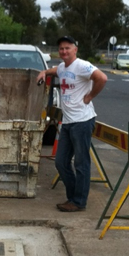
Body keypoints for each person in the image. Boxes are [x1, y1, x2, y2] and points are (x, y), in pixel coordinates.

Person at [36, 35, 107, 212]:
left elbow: (102, 78)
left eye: (68, 48)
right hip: (67, 122)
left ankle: (78, 201)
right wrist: (44, 72)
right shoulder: (62, 67)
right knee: (60, 162)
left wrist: (90, 96)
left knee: (81, 164)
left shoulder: (82, 65)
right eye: (61, 48)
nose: (64, 51)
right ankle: (74, 195)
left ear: (75, 50)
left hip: (82, 121)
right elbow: (55, 70)